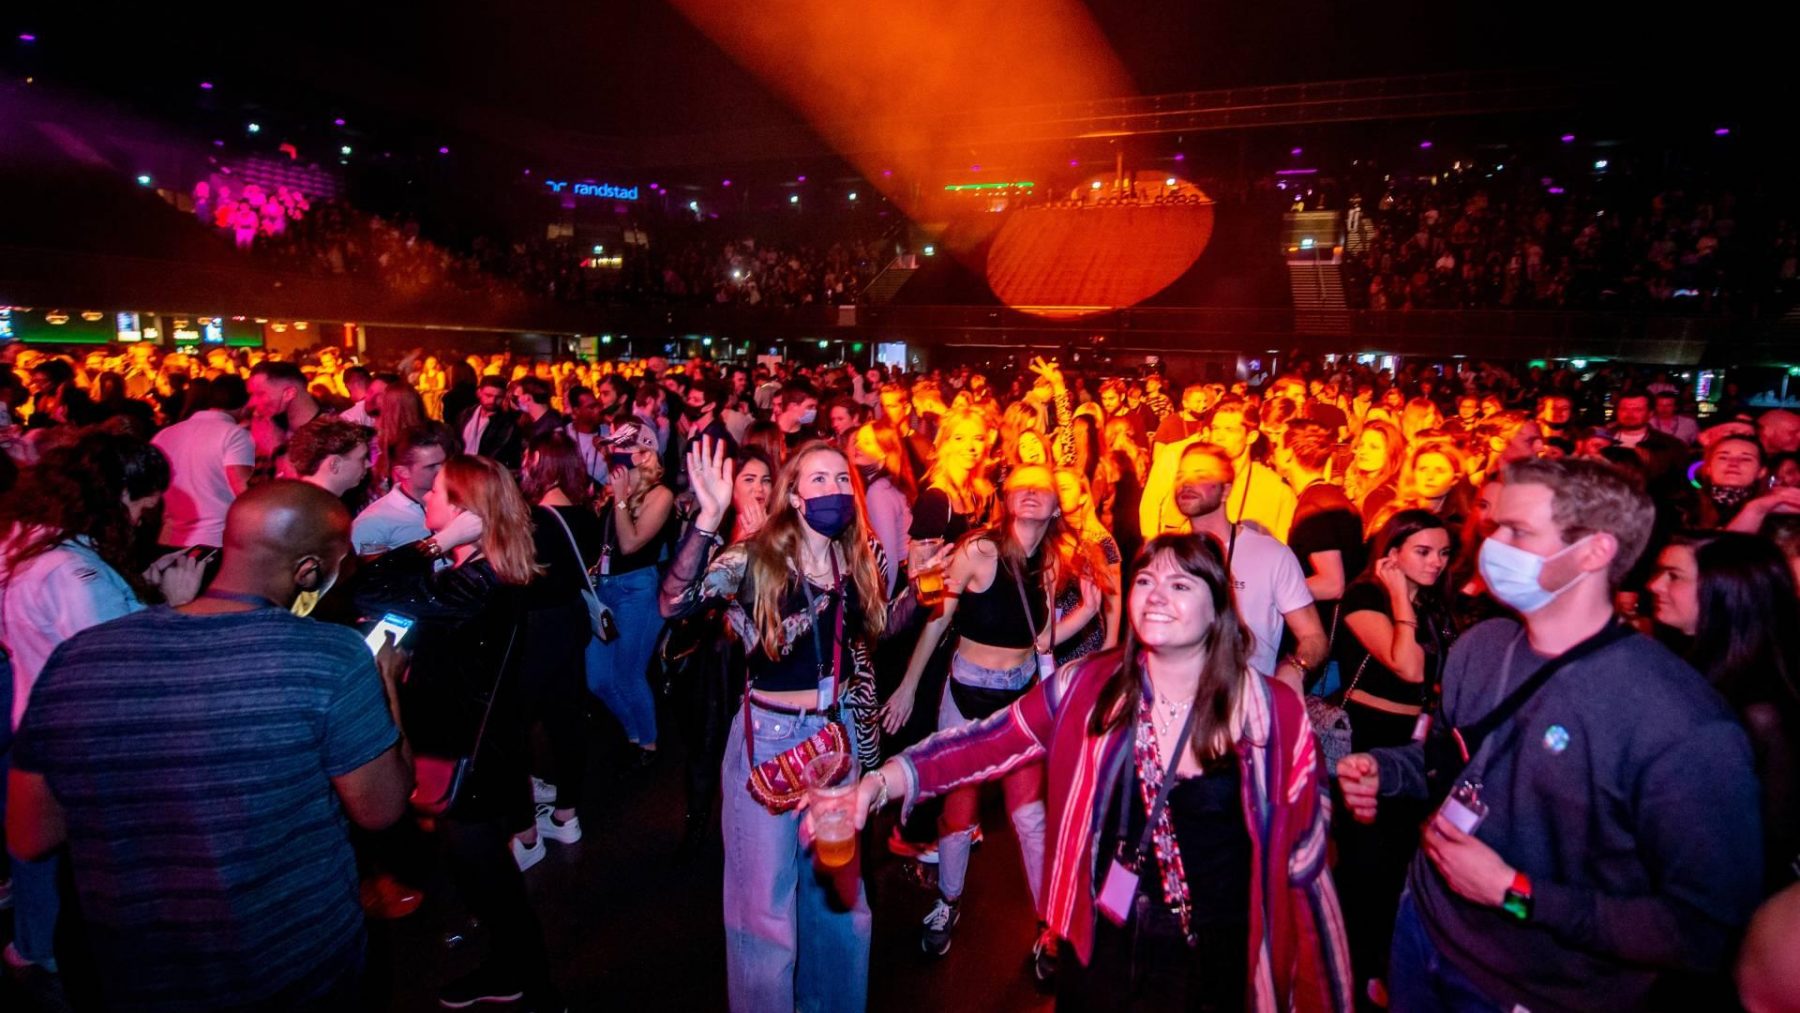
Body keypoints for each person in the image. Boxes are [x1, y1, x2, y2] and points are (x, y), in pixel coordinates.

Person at [846, 533, 1352, 1011]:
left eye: (1180, 584)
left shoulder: (1271, 714)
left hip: (1219, 949)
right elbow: (988, 740)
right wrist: (887, 779)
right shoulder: (1089, 686)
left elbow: (1306, 875)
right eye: (1147, 580)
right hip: (1103, 933)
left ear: (1217, 605)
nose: (1156, 594)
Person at [1338, 457, 1765, 1012]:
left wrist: (1515, 894)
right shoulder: (1482, 646)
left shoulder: (1681, 722)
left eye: (1518, 531)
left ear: (1593, 551)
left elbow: (1704, 928)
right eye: (1496, 528)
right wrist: (1385, 770)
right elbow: (1449, 758)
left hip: (1533, 987)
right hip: (1424, 929)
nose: (1493, 545)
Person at [7, 481, 411, 1011]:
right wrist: (387, 688)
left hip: (133, 965)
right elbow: (381, 809)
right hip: (292, 961)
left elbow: (30, 835)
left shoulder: (80, 656)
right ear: (309, 570)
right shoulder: (330, 657)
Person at [662, 437, 910, 1013]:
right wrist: (705, 519)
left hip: (836, 736)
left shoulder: (858, 555)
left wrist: (919, 592)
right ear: (793, 496)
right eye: (817, 480)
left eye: (841, 480)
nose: (833, 490)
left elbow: (870, 637)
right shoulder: (756, 557)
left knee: (842, 907)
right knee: (765, 917)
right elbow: (675, 604)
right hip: (771, 740)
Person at [351, 455, 558, 1009]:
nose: (426, 502)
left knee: (489, 876)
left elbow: (361, 588)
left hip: (470, 754)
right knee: (483, 872)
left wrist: (433, 545)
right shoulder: (483, 572)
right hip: (475, 745)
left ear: (466, 511)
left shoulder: (478, 582)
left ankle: (526, 981)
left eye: (438, 493)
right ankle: (515, 970)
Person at [0, 431, 207, 982]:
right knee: (85, 868)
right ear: (117, 493)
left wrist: (139, 586)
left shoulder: (38, 543)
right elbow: (120, 668)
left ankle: (37, 942)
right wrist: (176, 606)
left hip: (44, 725)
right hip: (85, 747)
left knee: (44, 857)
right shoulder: (73, 571)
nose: (148, 513)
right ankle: (64, 958)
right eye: (146, 499)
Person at [882, 464, 1103, 970]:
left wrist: (1087, 613)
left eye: (1040, 488)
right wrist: (909, 687)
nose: (1029, 493)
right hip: (965, 699)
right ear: (1005, 498)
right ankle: (948, 902)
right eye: (1020, 486)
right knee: (958, 814)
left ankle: (1049, 926)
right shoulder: (977, 552)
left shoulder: (1049, 561)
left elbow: (1040, 640)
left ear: (1056, 506)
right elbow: (937, 623)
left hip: (1019, 703)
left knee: (1030, 817)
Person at [1330, 509, 1458, 1006]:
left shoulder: (1435, 604)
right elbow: (1406, 666)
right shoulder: (1365, 596)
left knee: (1397, 865)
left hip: (1416, 740)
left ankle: (1376, 971)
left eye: (1444, 553)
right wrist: (1401, 599)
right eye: (1423, 552)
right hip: (1370, 735)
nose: (1436, 563)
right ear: (1392, 553)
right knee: (1365, 864)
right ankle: (1346, 972)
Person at [1646, 532, 1800, 891]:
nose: (1654, 585)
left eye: (1674, 576)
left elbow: (1772, 849)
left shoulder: (1761, 713)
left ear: (1726, 591)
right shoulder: (1679, 668)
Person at [513, 431, 603, 862]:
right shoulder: (585, 515)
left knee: (512, 726)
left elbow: (518, 578)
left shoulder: (532, 520)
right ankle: (566, 815)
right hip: (570, 623)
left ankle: (526, 836)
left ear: (541, 464)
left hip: (534, 627)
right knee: (567, 721)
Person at [1172, 442, 1326, 690]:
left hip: (1245, 707)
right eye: (1181, 475)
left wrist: (1296, 668)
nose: (1186, 482)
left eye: (1201, 474)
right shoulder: (1167, 556)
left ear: (1225, 491)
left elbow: (1313, 637)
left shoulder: (1271, 555)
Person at [585, 421, 675, 765]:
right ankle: (633, 731)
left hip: (638, 590)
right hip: (604, 589)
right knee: (597, 678)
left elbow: (632, 542)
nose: (613, 458)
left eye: (622, 450)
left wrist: (620, 499)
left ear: (642, 455)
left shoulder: (660, 495)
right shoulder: (612, 489)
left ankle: (647, 744)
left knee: (628, 673)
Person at [152, 373, 254, 550]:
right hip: (215, 541)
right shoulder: (234, 435)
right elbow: (242, 488)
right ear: (244, 405)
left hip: (169, 538)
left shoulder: (164, 434)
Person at [352, 428, 455, 556]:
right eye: (431, 466)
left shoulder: (457, 500)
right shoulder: (373, 521)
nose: (442, 470)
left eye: (444, 463)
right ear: (403, 472)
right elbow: (373, 574)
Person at [848, 421, 913, 594]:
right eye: (858, 441)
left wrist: (884, 601)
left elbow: (888, 556)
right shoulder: (888, 483)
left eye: (868, 442)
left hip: (895, 579)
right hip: (903, 574)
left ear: (885, 452)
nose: (858, 446)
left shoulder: (879, 491)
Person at [290, 416, 374, 499]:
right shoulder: (317, 509)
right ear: (335, 464)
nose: (369, 464)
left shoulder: (296, 500)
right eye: (362, 458)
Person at [456, 375, 524, 470]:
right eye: (488, 395)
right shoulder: (466, 415)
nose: (493, 401)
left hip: (487, 472)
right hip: (461, 469)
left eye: (499, 397)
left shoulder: (508, 423)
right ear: (479, 393)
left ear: (505, 396)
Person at [1343, 419, 1404, 520]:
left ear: (1391, 453)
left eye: (1373, 447)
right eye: (1361, 445)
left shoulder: (1381, 496)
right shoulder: (1363, 486)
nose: (1363, 451)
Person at [509, 376, 565, 443]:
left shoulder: (552, 425)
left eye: (516, 397)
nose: (515, 402)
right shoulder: (537, 421)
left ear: (526, 397)